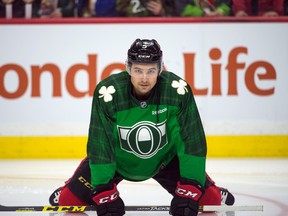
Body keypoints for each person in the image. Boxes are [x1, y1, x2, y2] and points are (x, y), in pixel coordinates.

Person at [49, 38, 235, 216]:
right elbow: (101, 145)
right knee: (68, 202)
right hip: (117, 161)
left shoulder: (177, 91)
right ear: (128, 68)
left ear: (160, 69)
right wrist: (104, 192)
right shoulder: (107, 93)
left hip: (164, 160)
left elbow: (191, 141)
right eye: (138, 70)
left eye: (151, 71)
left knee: (211, 201)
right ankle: (68, 189)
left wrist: (191, 187)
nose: (144, 78)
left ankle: (215, 190)